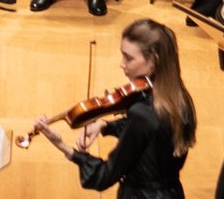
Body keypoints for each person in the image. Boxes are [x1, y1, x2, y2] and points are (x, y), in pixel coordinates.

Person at [27, 19, 195, 199]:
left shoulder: (142, 114)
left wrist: (64, 147)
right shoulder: (178, 97)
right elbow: (149, 134)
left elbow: (103, 176)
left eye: (128, 58)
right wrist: (104, 126)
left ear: (153, 60)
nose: (122, 64)